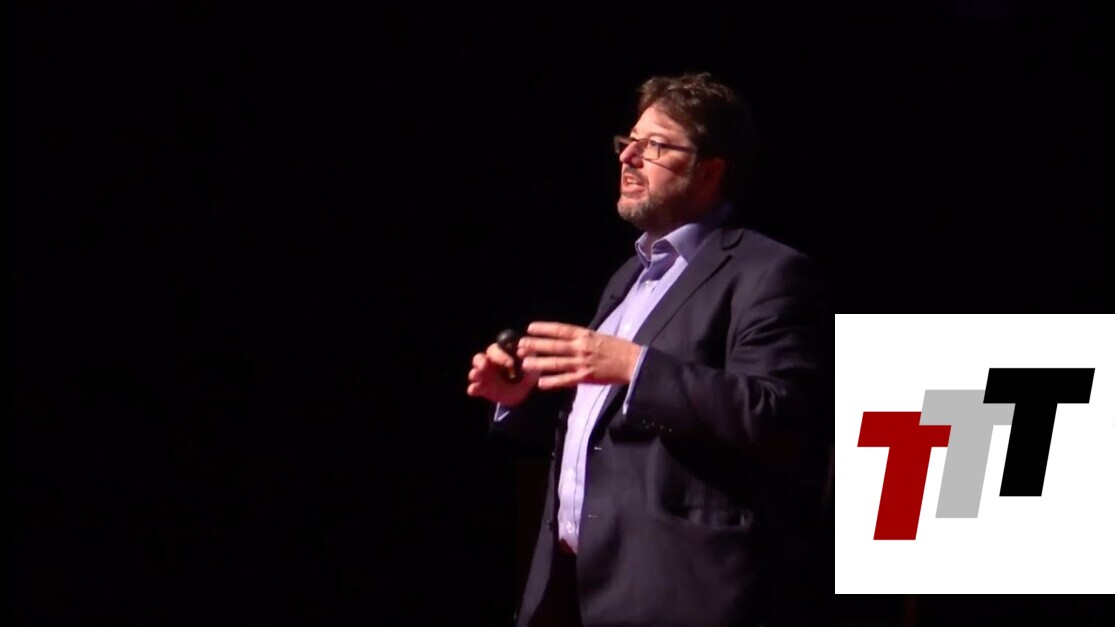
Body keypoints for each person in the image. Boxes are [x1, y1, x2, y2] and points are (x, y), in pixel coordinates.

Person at [467, 72, 832, 627]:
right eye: (628, 142)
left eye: (655, 146)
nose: (628, 158)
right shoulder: (628, 278)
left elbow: (778, 417)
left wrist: (635, 366)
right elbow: (604, 427)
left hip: (681, 595)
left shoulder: (767, 272)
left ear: (709, 171)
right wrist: (523, 398)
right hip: (577, 587)